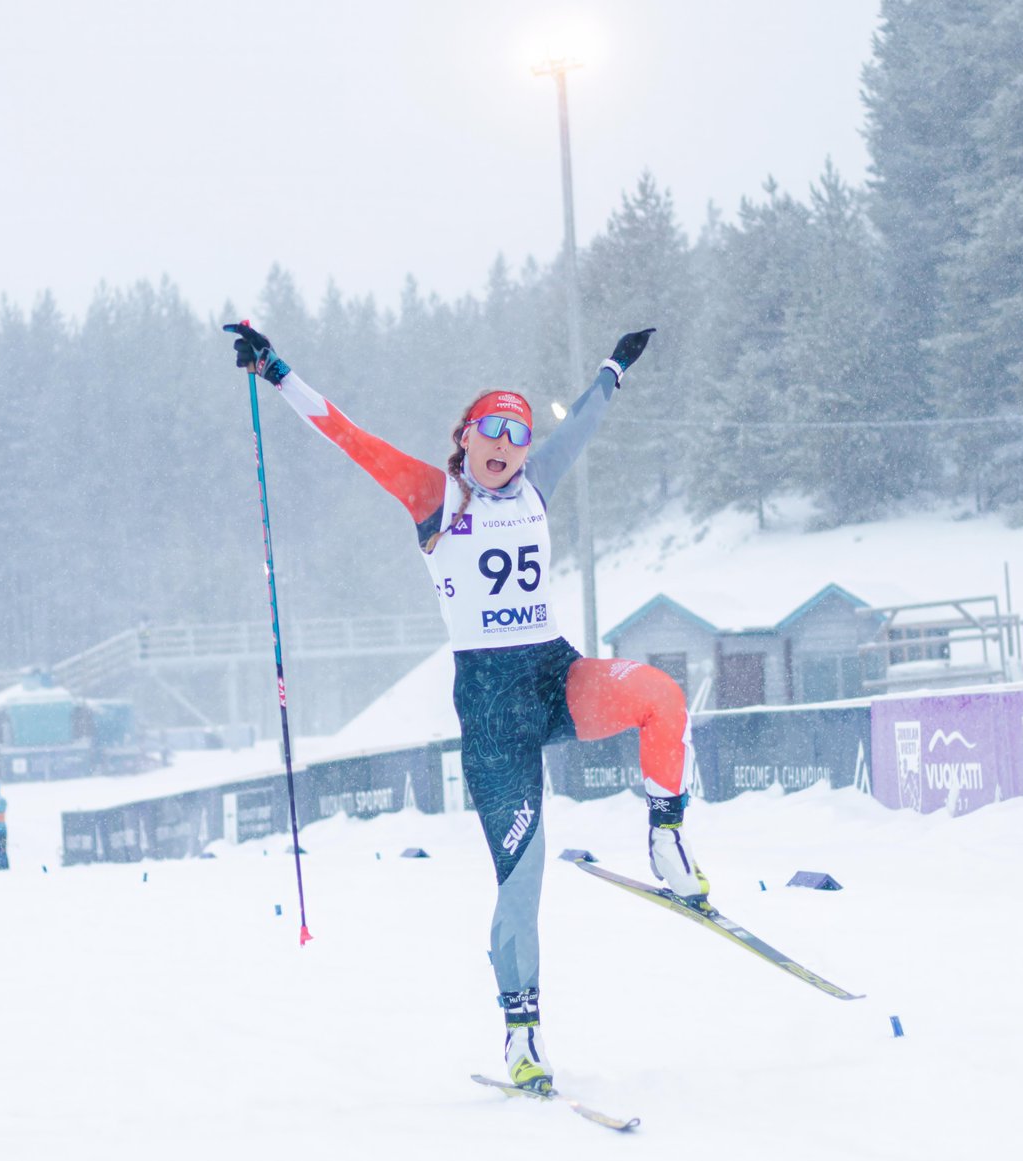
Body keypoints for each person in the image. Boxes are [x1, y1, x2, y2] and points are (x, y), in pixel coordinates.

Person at [225, 321, 711, 1093]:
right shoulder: (436, 495)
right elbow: (348, 437)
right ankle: (523, 1035)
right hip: (490, 712)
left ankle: (667, 837)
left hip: (557, 675)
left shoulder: (538, 483)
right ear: (466, 436)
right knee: (523, 879)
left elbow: (584, 417)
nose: (507, 443)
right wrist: (277, 370)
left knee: (661, 696)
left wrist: (617, 364)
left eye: (518, 432)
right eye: (492, 428)